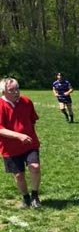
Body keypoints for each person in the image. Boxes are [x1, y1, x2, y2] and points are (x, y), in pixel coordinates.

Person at [0, 77, 42, 208]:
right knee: (19, 175)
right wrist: (19, 135)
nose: (16, 92)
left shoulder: (26, 101)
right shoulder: (1, 106)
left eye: (17, 89)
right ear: (3, 92)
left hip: (29, 143)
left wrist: (29, 135)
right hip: (10, 147)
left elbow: (32, 120)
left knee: (35, 167)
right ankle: (26, 198)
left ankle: (35, 196)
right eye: (11, 90)